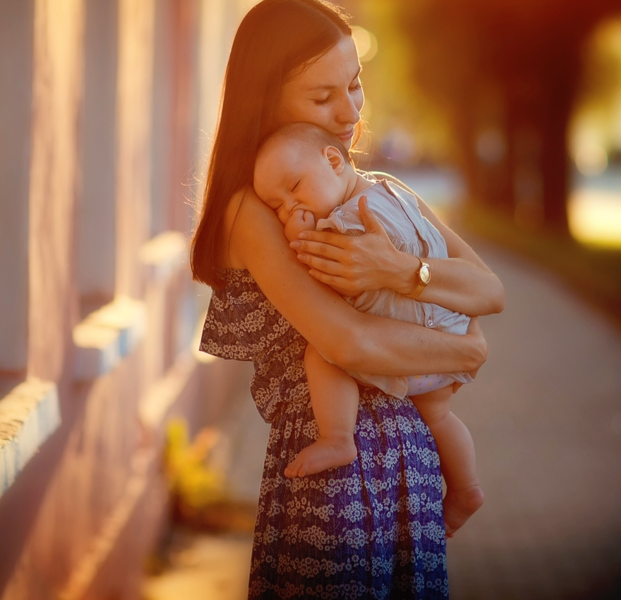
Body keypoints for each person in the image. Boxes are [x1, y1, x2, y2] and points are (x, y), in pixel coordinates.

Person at [191, 1, 504, 597]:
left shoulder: (376, 192)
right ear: (266, 97)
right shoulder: (254, 210)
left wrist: (399, 269)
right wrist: (456, 351)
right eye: (321, 96)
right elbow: (346, 340)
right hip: (334, 470)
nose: (349, 111)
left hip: (409, 455)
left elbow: (489, 289)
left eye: (355, 85)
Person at [251, 122, 485, 539]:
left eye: (295, 188)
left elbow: (332, 279)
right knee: (440, 415)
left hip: (402, 341)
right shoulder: (394, 192)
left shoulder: (345, 222)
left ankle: (338, 437)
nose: (290, 208)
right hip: (443, 334)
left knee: (322, 351)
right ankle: (466, 488)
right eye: (279, 206)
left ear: (334, 160)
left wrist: (301, 234)